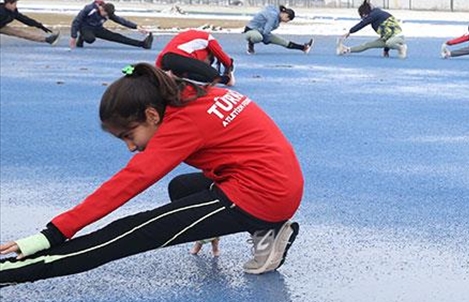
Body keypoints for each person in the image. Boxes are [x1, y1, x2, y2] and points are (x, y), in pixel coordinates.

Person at [0, 63, 303, 285]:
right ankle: (265, 228)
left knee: (125, 234)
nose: (131, 147)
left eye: (128, 136)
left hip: (261, 196)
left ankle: (7, 274)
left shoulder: (183, 124)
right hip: (278, 181)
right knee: (182, 187)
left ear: (151, 115)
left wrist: (52, 234)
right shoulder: (195, 94)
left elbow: (128, 183)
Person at [156, 28, 235, 86]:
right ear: (208, 56)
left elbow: (163, 54)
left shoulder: (188, 38)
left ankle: (174, 76)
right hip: (179, 58)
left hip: (166, 60)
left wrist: (158, 70)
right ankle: (225, 80)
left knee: (188, 73)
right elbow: (221, 54)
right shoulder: (208, 38)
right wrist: (229, 67)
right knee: (213, 75)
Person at [69, 0, 153, 50]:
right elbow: (76, 21)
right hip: (85, 27)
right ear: (101, 9)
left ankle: (142, 44)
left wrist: (136, 27)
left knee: (117, 37)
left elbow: (121, 21)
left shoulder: (108, 13)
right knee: (90, 39)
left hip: (97, 28)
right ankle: (82, 37)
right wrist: (73, 36)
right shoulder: (90, 9)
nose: (106, 16)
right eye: (105, 14)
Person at [337, 0, 408, 59]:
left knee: (389, 43)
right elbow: (386, 34)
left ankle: (401, 48)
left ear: (365, 14)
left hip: (398, 36)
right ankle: (346, 50)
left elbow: (362, 24)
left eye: (362, 16)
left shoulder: (375, 14)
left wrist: (350, 31)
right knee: (368, 45)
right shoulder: (375, 18)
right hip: (389, 38)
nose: (363, 18)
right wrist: (386, 50)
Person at [242, 4, 311, 55]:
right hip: (251, 31)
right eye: (288, 19)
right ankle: (250, 45)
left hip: (261, 32)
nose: (286, 22)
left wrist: (267, 39)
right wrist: (266, 40)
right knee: (258, 37)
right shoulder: (273, 16)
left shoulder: (277, 18)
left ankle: (304, 48)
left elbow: (265, 32)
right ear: (285, 15)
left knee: (283, 42)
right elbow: (266, 32)